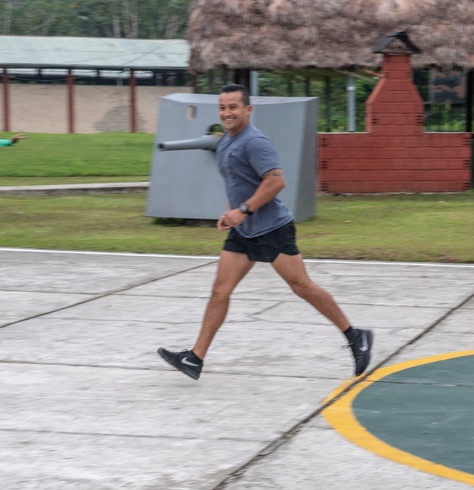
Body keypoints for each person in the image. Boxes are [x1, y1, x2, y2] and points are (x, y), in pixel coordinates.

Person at [156, 83, 372, 381]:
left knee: (302, 287)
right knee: (220, 289)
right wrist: (231, 212)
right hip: (245, 230)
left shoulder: (254, 142)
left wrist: (243, 210)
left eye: (233, 107)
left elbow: (275, 181)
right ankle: (195, 358)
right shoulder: (226, 142)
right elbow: (237, 182)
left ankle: (355, 335)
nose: (227, 112)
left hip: (272, 229)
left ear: (248, 109)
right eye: (222, 107)